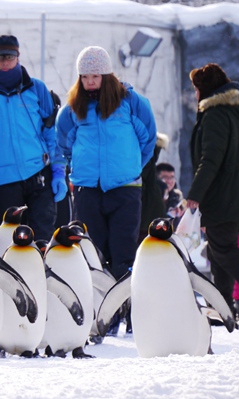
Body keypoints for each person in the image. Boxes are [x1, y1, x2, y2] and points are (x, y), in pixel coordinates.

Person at [56, 46, 156, 279]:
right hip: (87, 190)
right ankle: (98, 310)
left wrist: (130, 167)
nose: (90, 81)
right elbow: (64, 145)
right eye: (84, 76)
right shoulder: (72, 109)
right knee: (92, 255)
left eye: (95, 76)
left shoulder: (132, 103)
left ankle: (125, 308)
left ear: (107, 76)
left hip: (125, 189)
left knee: (124, 254)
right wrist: (83, 167)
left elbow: (148, 141)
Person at [185, 63, 239, 326]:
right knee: (218, 248)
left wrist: (195, 193)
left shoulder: (215, 115)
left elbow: (210, 159)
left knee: (222, 246)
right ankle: (221, 308)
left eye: (196, 89)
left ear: (205, 89)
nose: (195, 95)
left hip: (224, 194)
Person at [0, 35, 64, 241]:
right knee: (12, 244)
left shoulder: (37, 89)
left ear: (18, 56)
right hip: (5, 182)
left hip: (39, 174)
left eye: (9, 56)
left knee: (42, 240)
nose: (4, 62)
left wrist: (58, 171)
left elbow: (51, 132)